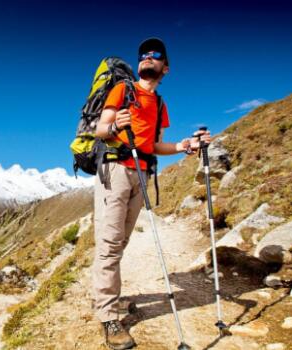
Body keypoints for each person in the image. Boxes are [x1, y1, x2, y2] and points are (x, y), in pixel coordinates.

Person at [92, 38, 211, 350]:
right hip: (116, 171)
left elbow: (156, 145)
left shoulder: (159, 104)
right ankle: (108, 318)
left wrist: (185, 146)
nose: (147, 57)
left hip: (141, 174)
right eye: (144, 54)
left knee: (119, 243)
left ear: (165, 68)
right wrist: (115, 125)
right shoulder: (123, 90)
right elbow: (100, 130)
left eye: (155, 55)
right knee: (108, 245)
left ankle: (111, 299)